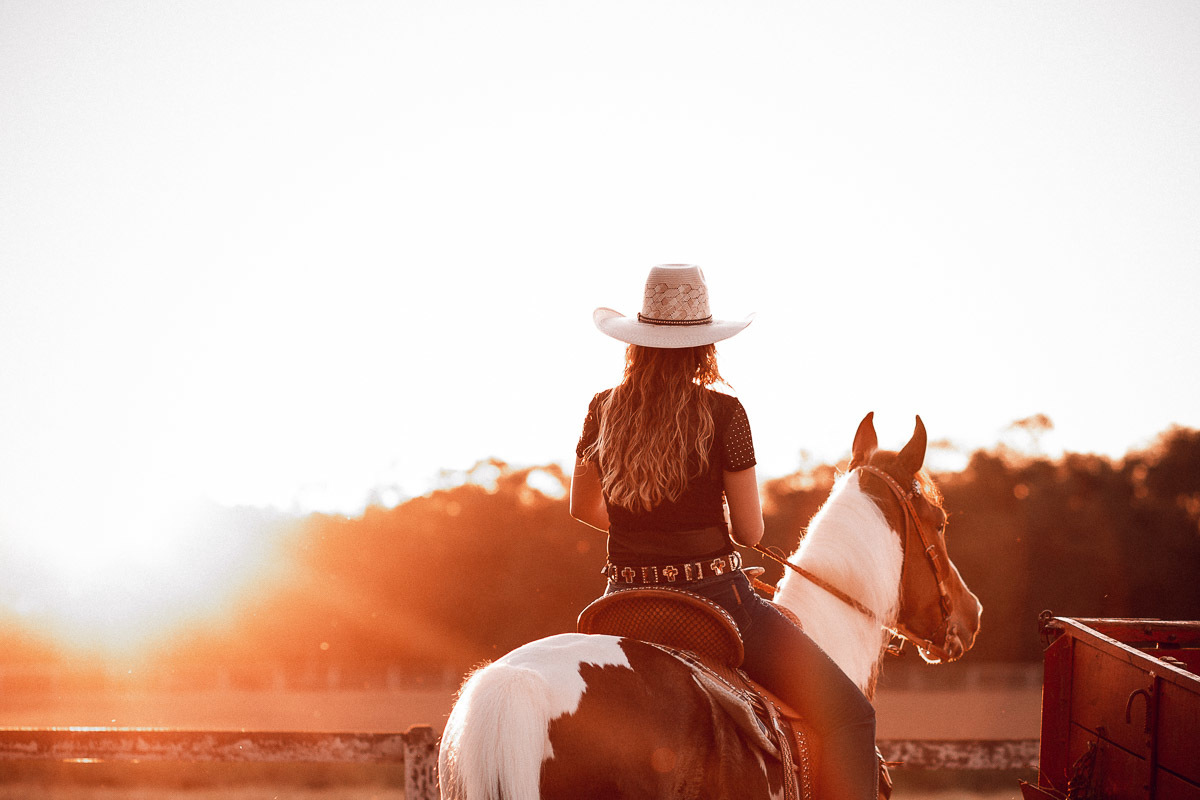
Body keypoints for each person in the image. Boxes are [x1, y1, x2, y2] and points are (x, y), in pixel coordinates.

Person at [569, 264, 878, 800]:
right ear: (704, 345)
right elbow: (751, 531)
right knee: (852, 717)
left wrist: (643, 529)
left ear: (638, 341)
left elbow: (581, 507)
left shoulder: (602, 409)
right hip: (715, 602)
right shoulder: (725, 412)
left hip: (622, 598)